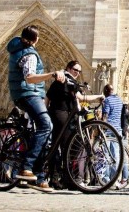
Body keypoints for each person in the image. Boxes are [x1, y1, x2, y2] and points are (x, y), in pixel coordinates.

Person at [7, 25, 66, 192]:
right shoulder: (30, 54)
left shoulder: (18, 48)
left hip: (26, 93)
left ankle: (39, 178)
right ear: (36, 39)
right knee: (46, 125)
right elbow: (30, 77)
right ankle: (26, 167)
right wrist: (51, 74)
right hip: (28, 94)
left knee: (44, 136)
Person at [46, 61, 102, 189]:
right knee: (69, 147)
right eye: (75, 70)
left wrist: (47, 113)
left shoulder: (61, 80)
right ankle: (67, 180)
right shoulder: (69, 80)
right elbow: (81, 98)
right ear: (68, 68)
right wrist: (99, 96)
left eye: (79, 71)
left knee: (57, 146)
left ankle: (55, 178)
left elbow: (48, 97)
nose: (77, 73)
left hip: (56, 113)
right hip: (62, 115)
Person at [101, 84, 129, 188]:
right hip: (118, 130)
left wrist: (101, 127)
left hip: (108, 129)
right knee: (116, 156)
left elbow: (105, 115)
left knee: (106, 155)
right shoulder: (119, 100)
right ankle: (114, 179)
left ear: (106, 91)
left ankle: (107, 179)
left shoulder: (107, 100)